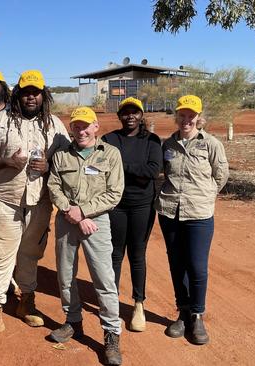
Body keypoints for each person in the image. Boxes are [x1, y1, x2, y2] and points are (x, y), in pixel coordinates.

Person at [0, 70, 70, 342]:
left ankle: (26, 301)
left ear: (43, 95)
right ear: (17, 94)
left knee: (30, 253)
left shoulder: (54, 125)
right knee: (0, 254)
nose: (31, 96)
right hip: (4, 199)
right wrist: (6, 162)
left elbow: (69, 160)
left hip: (39, 201)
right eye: (26, 91)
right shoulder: (0, 121)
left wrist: (49, 166)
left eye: (35, 92)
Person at [47, 107, 124, 365]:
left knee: (103, 278)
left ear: (95, 127)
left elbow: (114, 193)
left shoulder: (110, 155)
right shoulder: (61, 156)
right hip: (67, 219)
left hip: (97, 221)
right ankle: (72, 322)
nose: (80, 131)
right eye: (76, 126)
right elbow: (53, 186)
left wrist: (84, 212)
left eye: (85, 126)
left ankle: (111, 334)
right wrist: (71, 211)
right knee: (66, 274)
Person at [156, 95, 229, 345]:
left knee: (197, 266)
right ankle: (183, 311)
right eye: (182, 115)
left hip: (199, 214)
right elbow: (163, 176)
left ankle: (197, 315)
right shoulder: (168, 145)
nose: (186, 120)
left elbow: (221, 176)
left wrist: (205, 197)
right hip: (169, 212)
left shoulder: (211, 144)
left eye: (191, 116)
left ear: (199, 118)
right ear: (177, 117)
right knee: (177, 264)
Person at [102, 97, 162, 332]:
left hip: (142, 206)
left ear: (141, 115)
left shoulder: (152, 140)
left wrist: (121, 167)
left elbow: (152, 171)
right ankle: (112, 304)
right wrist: (133, 171)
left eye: (134, 112)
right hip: (115, 205)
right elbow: (101, 169)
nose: (130, 116)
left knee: (137, 255)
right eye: (125, 112)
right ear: (119, 116)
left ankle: (138, 304)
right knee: (115, 254)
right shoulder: (109, 139)